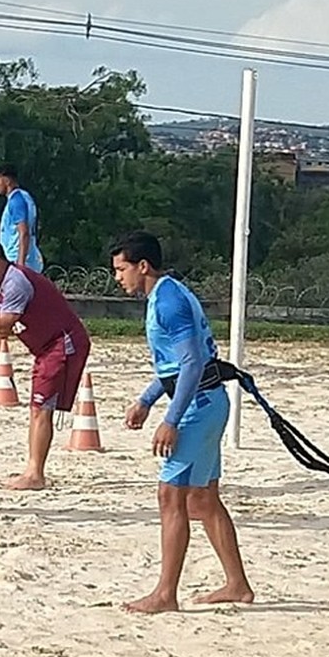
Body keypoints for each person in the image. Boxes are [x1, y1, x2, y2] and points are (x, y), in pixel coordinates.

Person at [111, 230, 252, 613]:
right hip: (208, 401)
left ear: (143, 266)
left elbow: (191, 365)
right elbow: (176, 366)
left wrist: (171, 419)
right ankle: (237, 585)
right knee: (203, 498)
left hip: (198, 406)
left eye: (121, 269)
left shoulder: (169, 301)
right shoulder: (168, 293)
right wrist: (146, 400)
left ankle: (165, 594)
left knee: (170, 496)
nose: (118, 277)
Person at [0, 235, 90, 490]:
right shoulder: (1, 284)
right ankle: (33, 469)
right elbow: (1, 326)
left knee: (41, 407)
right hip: (46, 348)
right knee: (38, 408)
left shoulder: (15, 282)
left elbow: (4, 325)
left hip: (61, 343)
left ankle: (35, 474)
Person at [0, 166, 43, 271]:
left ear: (7, 181)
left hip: (17, 258)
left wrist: (20, 264)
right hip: (28, 257)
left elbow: (24, 232)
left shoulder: (16, 201)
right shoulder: (25, 196)